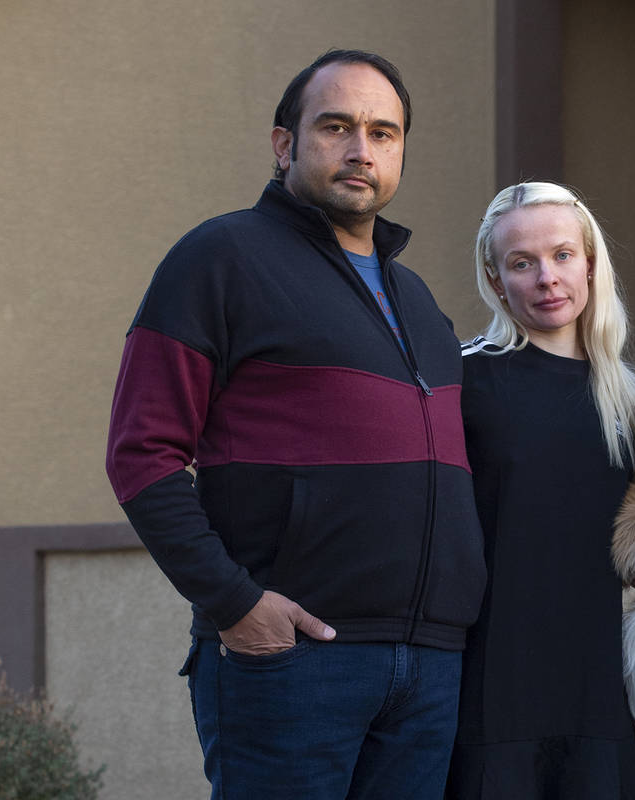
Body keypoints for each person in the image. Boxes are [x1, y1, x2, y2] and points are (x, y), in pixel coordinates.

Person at [105, 50, 486, 800]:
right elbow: (140, 453)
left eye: (384, 133)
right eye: (336, 127)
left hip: (430, 667)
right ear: (284, 145)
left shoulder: (419, 301)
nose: (360, 150)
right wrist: (237, 604)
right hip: (294, 659)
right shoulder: (220, 258)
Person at [446, 182, 635, 799]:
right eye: (522, 262)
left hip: (595, 696)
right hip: (492, 696)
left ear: (590, 261)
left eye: (563, 255)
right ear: (496, 276)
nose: (547, 278)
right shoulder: (462, 379)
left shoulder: (629, 398)